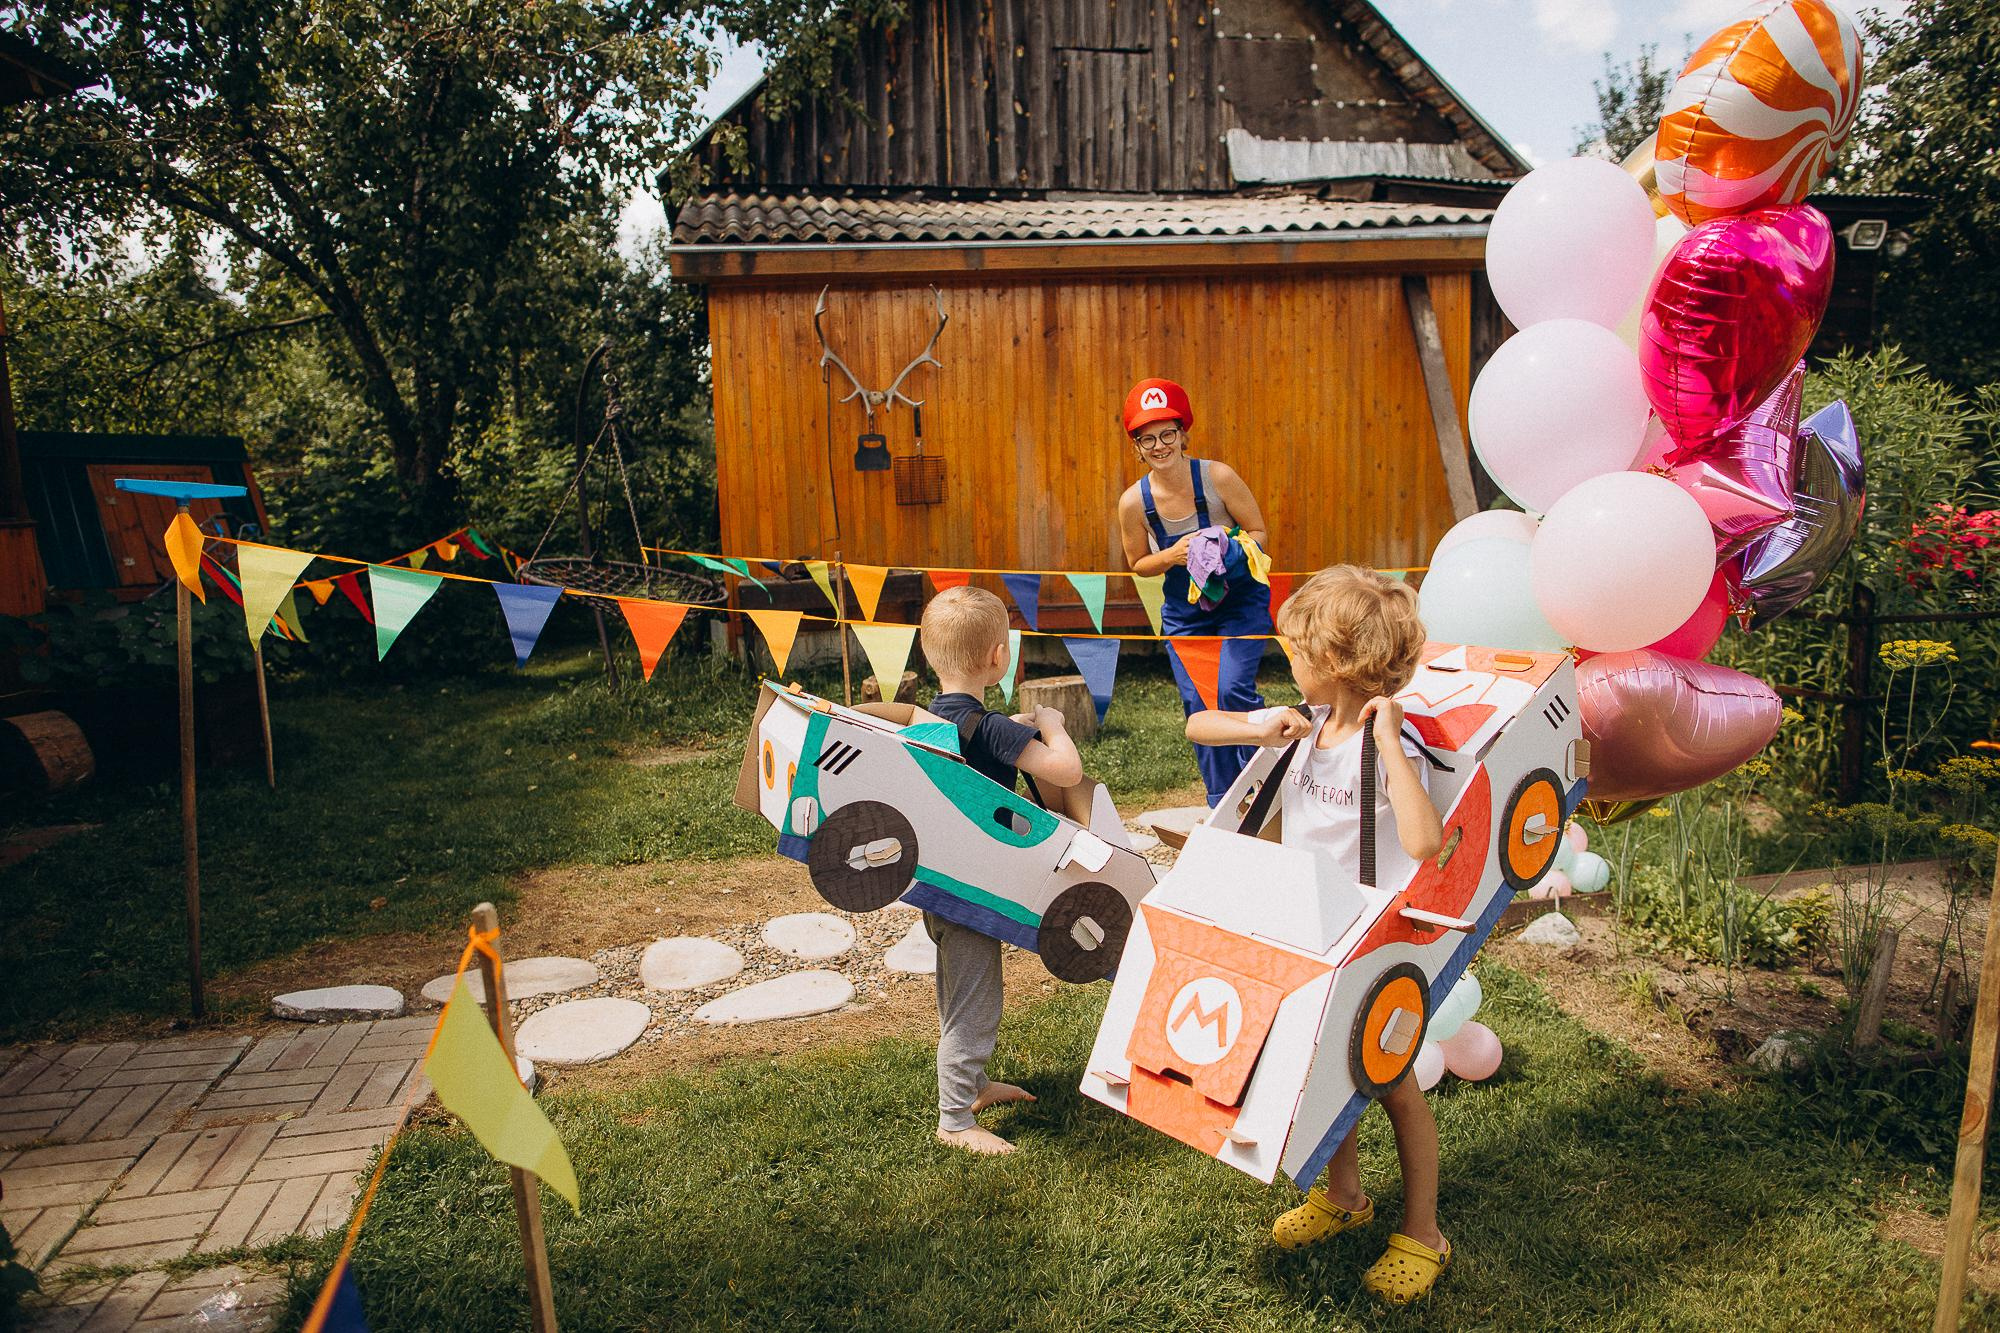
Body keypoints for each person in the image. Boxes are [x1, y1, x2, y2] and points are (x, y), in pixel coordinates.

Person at [1184, 566, 1451, 1307]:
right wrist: (1255, 724)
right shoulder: (1307, 719)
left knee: (1391, 1082)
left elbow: (1426, 840)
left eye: (1296, 645)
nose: (1286, 653)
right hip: (1309, 928)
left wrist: (1392, 742)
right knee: (1323, 1065)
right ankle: (1346, 1194)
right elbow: (1195, 725)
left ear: (1334, 659)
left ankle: (1425, 1230)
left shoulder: (1385, 742)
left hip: (1371, 938)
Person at [916, 585, 1097, 1154]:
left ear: (926, 653)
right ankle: (955, 1121)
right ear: (999, 657)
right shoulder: (991, 730)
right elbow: (1066, 772)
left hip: (940, 883)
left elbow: (978, 734)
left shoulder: (930, 722)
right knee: (975, 1002)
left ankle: (973, 1084)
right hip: (973, 891)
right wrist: (1052, 723)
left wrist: (1011, 723)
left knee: (958, 992)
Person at [1115, 377, 1276, 806]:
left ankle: (1261, 784)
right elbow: (1137, 565)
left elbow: (1260, 533)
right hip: (1185, 617)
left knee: (1233, 690)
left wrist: (1227, 545)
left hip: (1241, 602)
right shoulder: (1134, 503)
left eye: (1167, 433)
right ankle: (1222, 799)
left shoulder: (1217, 476)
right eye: (1147, 439)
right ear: (1137, 447)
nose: (1160, 445)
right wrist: (1173, 555)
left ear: (1183, 433)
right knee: (1201, 706)